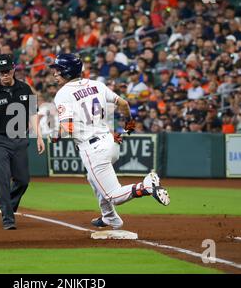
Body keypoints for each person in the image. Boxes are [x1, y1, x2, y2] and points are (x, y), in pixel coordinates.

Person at [50, 53, 170, 230]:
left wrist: (54, 135)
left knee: (114, 195)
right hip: (110, 142)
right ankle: (110, 217)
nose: (55, 74)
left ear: (67, 72)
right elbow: (123, 104)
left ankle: (146, 186)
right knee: (93, 178)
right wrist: (128, 123)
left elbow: (67, 127)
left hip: (93, 149)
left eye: (58, 70)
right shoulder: (96, 84)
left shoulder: (63, 94)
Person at [0, 54, 45, 230]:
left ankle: (8, 206)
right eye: (1, 72)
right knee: (3, 179)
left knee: (23, 181)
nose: (5, 75)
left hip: (20, 139)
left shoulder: (25, 89)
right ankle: (8, 218)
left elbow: (33, 113)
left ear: (14, 69)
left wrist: (38, 136)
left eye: (7, 71)